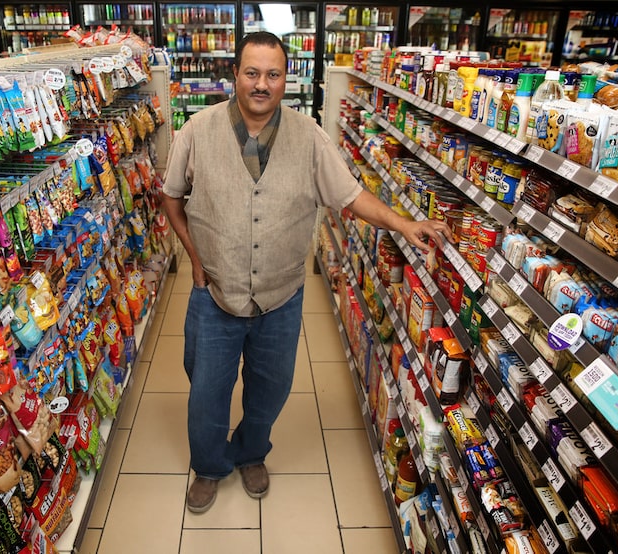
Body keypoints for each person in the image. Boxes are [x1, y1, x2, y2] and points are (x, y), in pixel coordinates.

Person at [162, 31, 452, 514]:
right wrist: (194, 257)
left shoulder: (309, 135)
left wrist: (404, 222)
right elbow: (172, 200)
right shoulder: (197, 130)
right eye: (252, 73)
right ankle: (210, 466)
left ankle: (251, 452)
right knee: (206, 391)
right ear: (234, 74)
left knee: (272, 388)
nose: (261, 84)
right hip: (215, 292)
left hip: (282, 295)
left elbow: (350, 196)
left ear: (285, 80)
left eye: (272, 75)